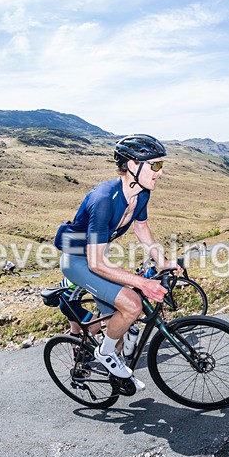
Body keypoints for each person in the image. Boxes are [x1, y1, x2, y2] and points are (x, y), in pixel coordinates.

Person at [54, 134, 175, 389]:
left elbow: (142, 230)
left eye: (160, 166)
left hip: (97, 258)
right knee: (132, 304)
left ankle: (113, 373)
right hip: (79, 262)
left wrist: (163, 262)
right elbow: (96, 264)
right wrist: (142, 283)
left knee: (117, 323)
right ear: (132, 165)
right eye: (155, 165)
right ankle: (104, 354)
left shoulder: (141, 194)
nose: (159, 172)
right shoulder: (103, 198)